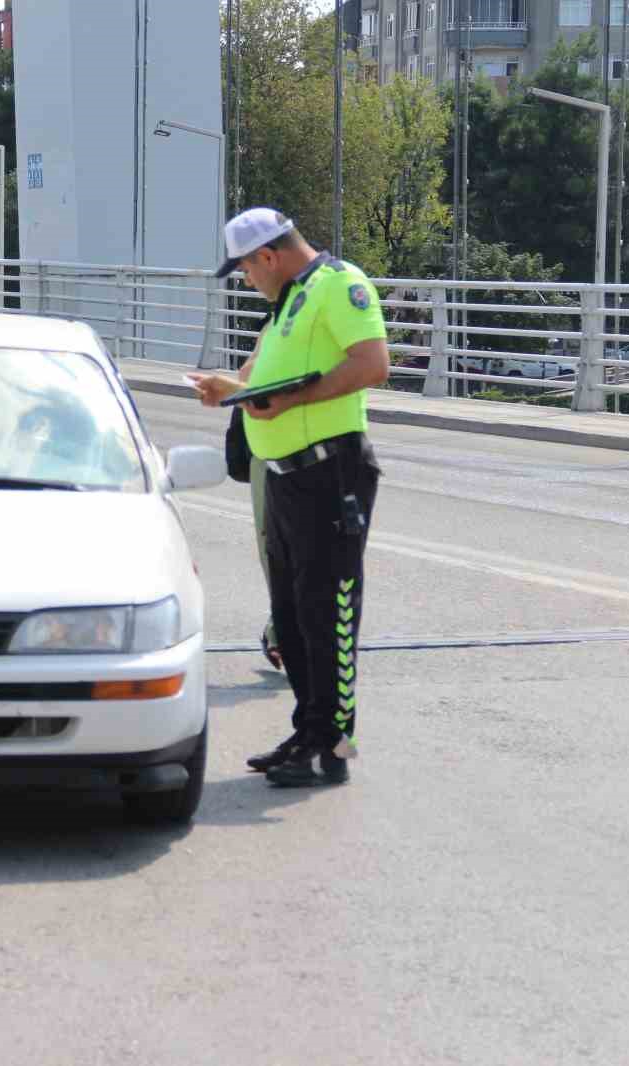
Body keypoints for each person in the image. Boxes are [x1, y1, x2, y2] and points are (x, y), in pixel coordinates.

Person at [188, 208, 389, 788]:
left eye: (247, 271)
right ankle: (308, 728)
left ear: (268, 257)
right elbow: (262, 381)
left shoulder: (339, 286)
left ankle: (334, 744)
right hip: (283, 477)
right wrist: (230, 389)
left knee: (329, 612)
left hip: (330, 474)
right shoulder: (286, 305)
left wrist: (293, 403)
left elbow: (373, 364)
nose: (248, 282)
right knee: (294, 615)